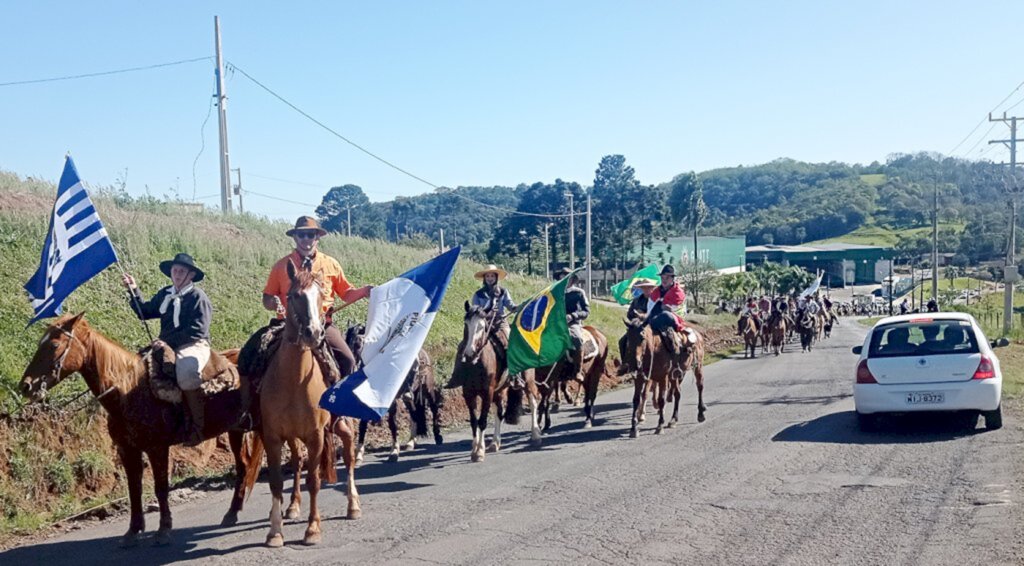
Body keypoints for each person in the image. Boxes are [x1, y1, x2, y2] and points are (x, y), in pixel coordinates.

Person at [263, 216, 372, 382]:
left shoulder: (330, 264)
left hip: (321, 324)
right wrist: (273, 302)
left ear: (317, 237)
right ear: (295, 237)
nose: (306, 239)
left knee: (348, 360)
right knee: (250, 355)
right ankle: (248, 404)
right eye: (302, 235)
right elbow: (267, 297)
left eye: (310, 235)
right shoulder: (281, 266)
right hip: (287, 324)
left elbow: (346, 294)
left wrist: (365, 291)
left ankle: (341, 404)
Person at [122, 253, 212, 446]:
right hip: (165, 344)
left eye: (182, 271)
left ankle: (197, 427)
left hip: (193, 344)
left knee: (187, 374)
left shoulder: (198, 297)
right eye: (175, 270)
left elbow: (198, 330)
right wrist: (133, 290)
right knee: (136, 369)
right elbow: (144, 312)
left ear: (190, 275)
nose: (177, 274)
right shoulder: (166, 294)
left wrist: (167, 342)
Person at [556, 268, 591, 380]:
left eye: (567, 278)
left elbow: (586, 311)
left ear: (572, 280)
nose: (564, 280)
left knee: (577, 338)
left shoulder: (578, 293)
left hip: (572, 323)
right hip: (555, 323)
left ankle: (577, 370)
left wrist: (572, 316)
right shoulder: (554, 293)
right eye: (562, 278)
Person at [648, 265, 688, 353]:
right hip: (654, 317)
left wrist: (669, 309)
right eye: (662, 277)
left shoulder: (678, 292)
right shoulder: (655, 292)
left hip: (673, 319)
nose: (664, 280)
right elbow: (649, 308)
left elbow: (680, 311)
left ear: (672, 278)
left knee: (666, 315)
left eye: (667, 277)